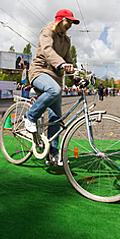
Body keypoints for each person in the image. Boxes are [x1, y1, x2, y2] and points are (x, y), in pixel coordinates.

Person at [24, 9, 79, 167]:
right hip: (39, 72)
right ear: (60, 20)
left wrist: (75, 78)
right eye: (68, 21)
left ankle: (52, 155)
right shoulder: (47, 31)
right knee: (55, 90)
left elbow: (68, 60)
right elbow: (48, 50)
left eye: (72, 23)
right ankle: (30, 117)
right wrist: (61, 64)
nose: (70, 25)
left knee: (56, 117)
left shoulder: (67, 41)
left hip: (54, 77)